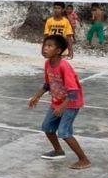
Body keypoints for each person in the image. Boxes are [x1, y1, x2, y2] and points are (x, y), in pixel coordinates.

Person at [28, 35, 91, 170]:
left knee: (64, 132)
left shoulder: (64, 66)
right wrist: (36, 97)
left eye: (50, 46)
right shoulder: (48, 64)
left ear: (58, 50)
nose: (45, 48)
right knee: (47, 127)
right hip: (57, 102)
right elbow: (48, 84)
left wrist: (63, 107)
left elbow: (73, 92)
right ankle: (58, 151)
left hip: (71, 103)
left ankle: (84, 159)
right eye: (45, 45)